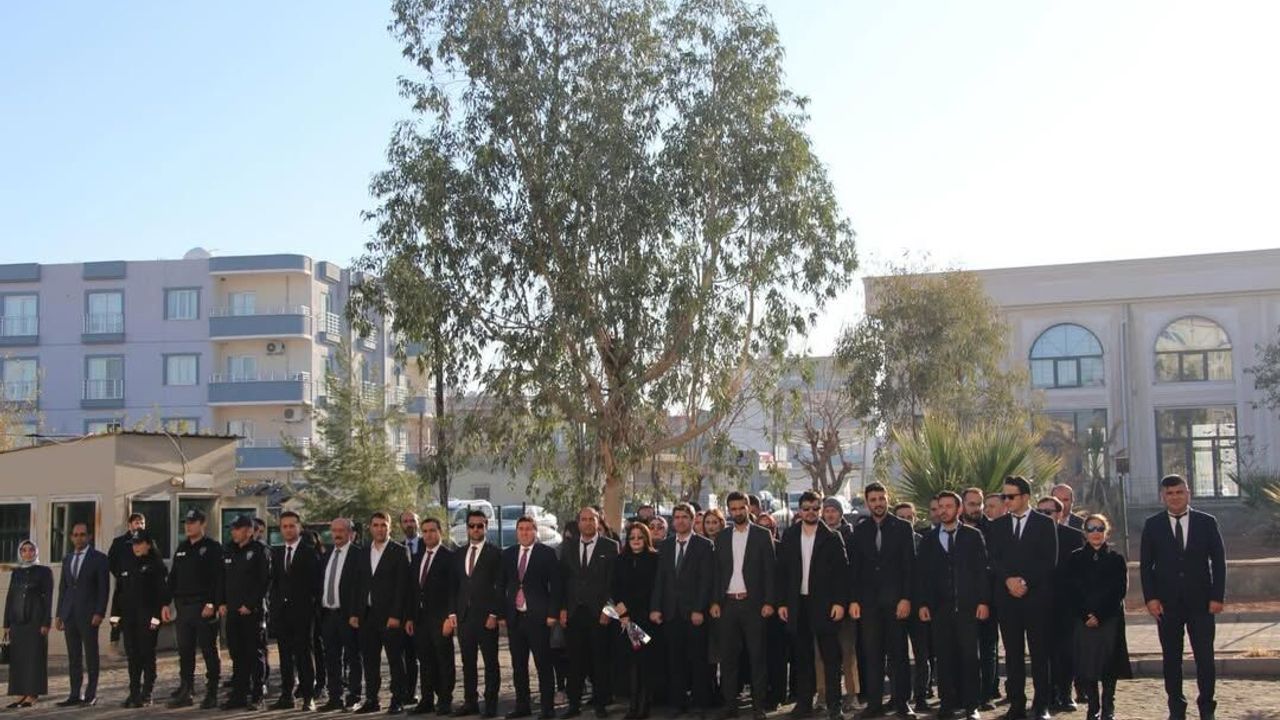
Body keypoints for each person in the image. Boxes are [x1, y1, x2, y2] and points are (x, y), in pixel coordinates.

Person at [1140, 474, 1226, 720]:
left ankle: (1207, 708)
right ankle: (1176, 709)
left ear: (1188, 493)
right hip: (1167, 604)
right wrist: (1151, 598)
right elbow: (1146, 566)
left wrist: (1217, 596)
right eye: (1170, 493)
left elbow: (1219, 561)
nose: (1175, 497)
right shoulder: (1152, 525)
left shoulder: (1206, 522)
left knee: (1205, 658)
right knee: (1171, 659)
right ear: (1162, 496)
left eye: (1179, 492)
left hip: (1201, 602)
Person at [914, 492, 990, 720]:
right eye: (940, 506)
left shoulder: (973, 536)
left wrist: (983, 601)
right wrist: (923, 604)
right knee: (944, 657)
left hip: (968, 607)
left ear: (959, 509)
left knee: (970, 657)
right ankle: (946, 704)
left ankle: (971, 706)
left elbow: (981, 571)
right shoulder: (929, 539)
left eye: (949, 506)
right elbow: (922, 575)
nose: (944, 510)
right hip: (940, 609)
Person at [988, 476, 1058, 720]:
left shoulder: (1044, 523)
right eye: (1004, 496)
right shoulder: (997, 525)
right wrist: (1008, 580)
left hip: (1036, 598)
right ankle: (1016, 704)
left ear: (1026, 497)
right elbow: (993, 558)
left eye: (1011, 496)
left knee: (1039, 653)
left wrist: (1025, 582)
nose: (1006, 500)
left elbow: (1049, 561)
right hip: (1007, 599)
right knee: (1013, 654)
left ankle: (1041, 705)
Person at [776, 491, 848, 720]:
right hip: (798, 604)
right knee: (802, 658)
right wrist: (782, 603)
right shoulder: (790, 535)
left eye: (815, 508)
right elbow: (782, 572)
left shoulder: (832, 537)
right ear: (800, 510)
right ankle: (804, 703)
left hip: (825, 605)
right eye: (806, 508)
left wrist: (840, 603)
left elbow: (842, 574)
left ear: (820, 509)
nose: (810, 512)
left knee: (831, 659)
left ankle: (835, 706)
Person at [850, 482, 916, 719]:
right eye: (873, 500)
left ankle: (902, 703)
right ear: (867, 503)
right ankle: (874, 704)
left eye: (881, 498)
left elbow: (909, 567)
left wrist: (906, 598)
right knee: (872, 655)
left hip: (896, 603)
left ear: (887, 499)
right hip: (869, 605)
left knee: (899, 655)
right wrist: (854, 600)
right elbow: (854, 569)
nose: (878, 503)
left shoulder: (902, 528)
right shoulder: (860, 530)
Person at [710, 491, 776, 720]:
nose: (737, 512)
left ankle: (758, 707)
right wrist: (715, 602)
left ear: (748, 508)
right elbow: (717, 572)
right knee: (728, 659)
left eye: (741, 508)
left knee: (757, 657)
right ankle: (730, 705)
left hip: (754, 605)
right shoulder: (722, 537)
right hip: (727, 604)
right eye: (733, 509)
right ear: (728, 510)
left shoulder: (762, 535)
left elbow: (770, 571)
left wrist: (769, 602)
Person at [650, 502, 714, 717]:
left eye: (685, 517)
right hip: (670, 612)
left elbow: (706, 581)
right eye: (677, 517)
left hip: (694, 613)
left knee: (698, 660)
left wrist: (699, 609)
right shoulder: (666, 545)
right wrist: (655, 607)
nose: (680, 521)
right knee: (674, 660)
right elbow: (660, 579)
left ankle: (700, 703)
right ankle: (677, 703)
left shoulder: (704, 545)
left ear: (693, 520)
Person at [1068, 514, 1131, 720]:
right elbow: (1071, 590)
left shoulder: (1116, 558)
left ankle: (1108, 705)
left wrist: (1100, 615)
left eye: (1100, 528)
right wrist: (1085, 614)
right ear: (1085, 533)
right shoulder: (1075, 558)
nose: (1096, 533)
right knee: (1088, 664)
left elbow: (1119, 590)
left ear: (1106, 532)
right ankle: (1092, 705)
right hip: (1083, 619)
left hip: (1109, 618)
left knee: (1108, 664)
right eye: (1091, 529)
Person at [560, 507, 619, 719]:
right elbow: (561, 581)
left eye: (591, 519)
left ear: (598, 521)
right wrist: (562, 609)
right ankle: (573, 705)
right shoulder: (568, 547)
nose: (587, 523)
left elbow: (614, 583)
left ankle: (601, 704)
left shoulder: (610, 546)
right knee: (575, 661)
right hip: (574, 613)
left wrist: (608, 610)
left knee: (599, 661)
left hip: (599, 614)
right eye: (583, 519)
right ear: (578, 523)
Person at [501, 516, 562, 720]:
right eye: (521, 529)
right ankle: (522, 706)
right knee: (518, 666)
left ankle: (547, 709)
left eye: (528, 529)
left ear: (535, 531)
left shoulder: (546, 554)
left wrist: (553, 614)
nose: (524, 532)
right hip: (515, 618)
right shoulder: (508, 554)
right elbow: (501, 585)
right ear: (516, 532)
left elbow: (556, 586)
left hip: (539, 618)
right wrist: (502, 614)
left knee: (543, 665)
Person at [163, 509, 223, 709]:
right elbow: (173, 578)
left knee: (209, 651)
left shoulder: (212, 548)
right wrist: (165, 603)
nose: (188, 526)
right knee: (185, 651)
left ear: (203, 524)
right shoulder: (182, 548)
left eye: (193, 522)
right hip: (184, 607)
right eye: (186, 522)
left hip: (203, 606)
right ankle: (186, 690)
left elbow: (218, 579)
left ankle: (212, 692)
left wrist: (212, 603)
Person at [353, 511, 410, 714]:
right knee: (370, 660)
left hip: (390, 617)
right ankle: (372, 699)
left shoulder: (399, 551)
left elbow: (402, 587)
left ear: (390, 527)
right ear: (370, 528)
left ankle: (398, 699)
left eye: (383, 525)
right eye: (376, 525)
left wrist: (396, 615)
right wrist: (355, 613)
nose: (379, 529)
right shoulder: (363, 552)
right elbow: (357, 584)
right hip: (367, 615)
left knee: (395, 660)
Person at [449, 509, 502, 718]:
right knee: (467, 663)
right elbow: (454, 586)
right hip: (464, 617)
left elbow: (500, 587)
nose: (476, 529)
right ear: (467, 528)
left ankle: (491, 704)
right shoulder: (458, 554)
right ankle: (470, 702)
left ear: (486, 527)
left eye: (480, 526)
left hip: (486, 617)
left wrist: (494, 614)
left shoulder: (495, 553)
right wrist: (453, 613)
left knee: (490, 664)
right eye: (472, 526)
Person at [1036, 496, 1085, 713]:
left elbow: (1079, 572)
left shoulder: (1073, 536)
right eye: (1040, 512)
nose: (1044, 516)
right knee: (1042, 651)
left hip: (1066, 603)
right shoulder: (1031, 536)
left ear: (1060, 513)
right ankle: (1045, 695)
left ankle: (1065, 694)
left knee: (1066, 651)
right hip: (1038, 601)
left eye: (1048, 512)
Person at [270, 510, 322, 710]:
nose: (288, 530)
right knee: (284, 656)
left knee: (304, 655)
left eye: (292, 526)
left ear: (299, 527)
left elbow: (316, 584)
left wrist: (312, 609)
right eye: (285, 526)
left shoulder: (309, 552)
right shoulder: (277, 553)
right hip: (282, 613)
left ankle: (308, 696)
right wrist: (275, 607)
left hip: (303, 613)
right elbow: (275, 583)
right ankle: (287, 695)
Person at [54, 522, 109, 708]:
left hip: (89, 614)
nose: (79, 538)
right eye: (76, 535)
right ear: (71, 537)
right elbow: (63, 588)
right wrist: (59, 614)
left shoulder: (99, 559)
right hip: (69, 614)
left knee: (91, 655)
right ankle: (74, 694)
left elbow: (103, 589)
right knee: (74, 656)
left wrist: (99, 612)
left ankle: (91, 694)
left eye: (82, 534)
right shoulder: (67, 558)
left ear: (89, 536)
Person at [220, 515, 271, 710]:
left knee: (254, 653)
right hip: (233, 611)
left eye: (238, 528)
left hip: (252, 612)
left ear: (249, 531)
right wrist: (222, 602)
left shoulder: (259, 550)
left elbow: (264, 580)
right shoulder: (229, 550)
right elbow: (222, 579)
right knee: (237, 654)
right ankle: (239, 694)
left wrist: (250, 604)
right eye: (232, 528)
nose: (233, 532)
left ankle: (258, 695)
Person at [816, 497, 859, 715]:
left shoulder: (851, 536)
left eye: (834, 510)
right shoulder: (816, 535)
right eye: (827, 511)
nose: (830, 514)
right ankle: (822, 694)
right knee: (821, 655)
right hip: (822, 606)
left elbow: (853, 573)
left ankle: (852, 694)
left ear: (841, 514)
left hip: (846, 604)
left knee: (848, 652)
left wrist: (850, 601)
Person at [118, 531, 171, 707]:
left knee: (147, 653)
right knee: (132, 655)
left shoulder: (156, 565)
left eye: (140, 543)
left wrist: (156, 619)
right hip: (130, 618)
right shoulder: (127, 563)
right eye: (134, 544)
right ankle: (134, 692)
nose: (136, 547)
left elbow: (162, 594)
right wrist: (116, 617)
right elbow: (119, 592)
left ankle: (147, 691)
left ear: (148, 544)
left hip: (149, 617)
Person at [614, 523, 660, 720]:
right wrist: (623, 614)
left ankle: (644, 705)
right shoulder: (620, 559)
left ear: (646, 538)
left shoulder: (655, 559)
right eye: (632, 537)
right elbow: (614, 588)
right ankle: (633, 706)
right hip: (628, 620)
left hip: (648, 619)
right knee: (633, 662)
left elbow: (656, 587)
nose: (635, 540)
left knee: (646, 662)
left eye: (640, 537)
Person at [320, 517, 364, 711]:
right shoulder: (327, 553)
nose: (337, 534)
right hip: (328, 615)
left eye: (341, 530)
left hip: (349, 615)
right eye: (334, 530)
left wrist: (356, 613)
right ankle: (334, 697)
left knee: (353, 656)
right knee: (331, 657)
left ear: (350, 533)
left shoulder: (358, 555)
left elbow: (361, 588)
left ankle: (354, 697)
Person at [4, 539, 53, 708]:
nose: (27, 553)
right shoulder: (16, 573)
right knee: (19, 658)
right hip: (17, 621)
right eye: (24, 550)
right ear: (20, 553)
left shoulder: (44, 572)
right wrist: (6, 624)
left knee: (34, 658)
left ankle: (32, 693)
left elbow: (48, 598)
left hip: (35, 621)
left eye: (31, 550)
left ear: (35, 552)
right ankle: (21, 692)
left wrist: (46, 622)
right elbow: (10, 597)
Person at [895, 502, 933, 712]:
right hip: (897, 606)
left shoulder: (924, 542)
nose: (906, 521)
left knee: (922, 655)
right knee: (896, 655)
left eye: (910, 517)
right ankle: (900, 697)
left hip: (919, 606)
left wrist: (924, 603)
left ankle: (921, 695)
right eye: (902, 517)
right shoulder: (890, 542)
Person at [978, 493, 1006, 709]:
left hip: (1011, 595)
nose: (987, 510)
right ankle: (987, 690)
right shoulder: (980, 531)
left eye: (992, 506)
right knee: (988, 644)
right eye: (985, 506)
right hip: (986, 596)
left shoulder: (1008, 530)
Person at [107, 513, 146, 642]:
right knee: (121, 619)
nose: (139, 525)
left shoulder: (148, 542)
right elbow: (111, 561)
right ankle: (116, 639)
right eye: (137, 523)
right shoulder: (119, 542)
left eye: (142, 523)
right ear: (130, 525)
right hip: (124, 587)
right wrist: (121, 574)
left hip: (142, 588)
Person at [401, 510, 424, 708]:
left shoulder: (427, 545)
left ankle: (432, 694)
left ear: (418, 523)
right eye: (405, 521)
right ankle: (409, 693)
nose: (409, 524)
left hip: (424, 611)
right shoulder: (397, 549)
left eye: (412, 521)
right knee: (407, 655)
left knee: (425, 655)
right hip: (402, 611)